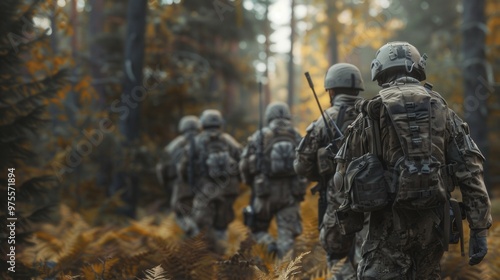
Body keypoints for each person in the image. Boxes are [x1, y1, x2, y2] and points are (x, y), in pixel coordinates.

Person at [332, 41, 492, 278]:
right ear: (417, 68)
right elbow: (471, 169)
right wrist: (479, 229)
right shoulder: (442, 109)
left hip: (386, 226)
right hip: (434, 225)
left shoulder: (371, 113)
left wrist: (350, 223)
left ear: (381, 70)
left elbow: (341, 177)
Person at [294, 63, 366, 279]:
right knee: (370, 260)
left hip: (337, 204)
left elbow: (301, 166)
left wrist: (323, 172)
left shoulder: (324, 121)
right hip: (378, 203)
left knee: (337, 258)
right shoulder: (374, 113)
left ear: (331, 91)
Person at [240, 101, 307, 258]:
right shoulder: (296, 135)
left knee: (257, 228)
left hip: (265, 192)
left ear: (268, 116)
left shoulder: (260, 135)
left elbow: (243, 165)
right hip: (291, 193)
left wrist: (250, 183)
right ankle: (284, 271)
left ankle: (268, 244)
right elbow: (307, 163)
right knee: (287, 236)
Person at [178, 109, 242, 253]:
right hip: (227, 191)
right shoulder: (228, 140)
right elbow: (241, 159)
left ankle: (208, 258)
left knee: (203, 226)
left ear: (202, 123)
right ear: (220, 123)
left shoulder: (196, 141)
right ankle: (222, 255)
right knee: (222, 225)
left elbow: (183, 168)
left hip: (205, 191)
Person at [156, 115, 201, 234]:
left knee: (182, 214)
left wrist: (167, 185)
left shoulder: (173, 146)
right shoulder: (204, 141)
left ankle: (192, 242)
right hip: (205, 184)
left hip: (181, 186)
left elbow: (161, 168)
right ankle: (201, 244)